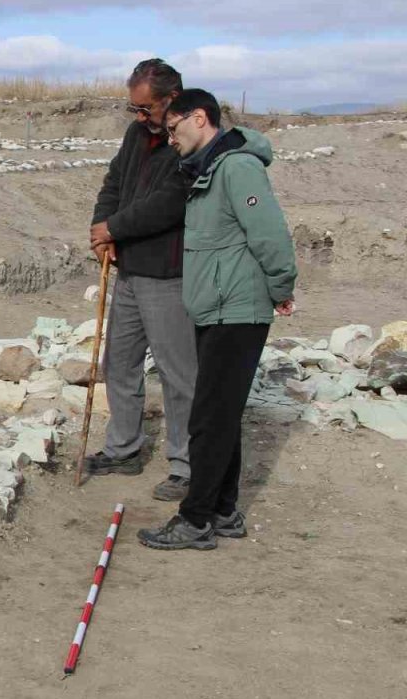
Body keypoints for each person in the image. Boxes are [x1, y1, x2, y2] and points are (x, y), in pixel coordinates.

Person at [138, 88, 297, 550]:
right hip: (218, 307)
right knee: (220, 414)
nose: (170, 138)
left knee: (208, 417)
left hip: (237, 309)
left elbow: (269, 233)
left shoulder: (238, 167)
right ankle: (224, 510)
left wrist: (281, 287)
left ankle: (196, 519)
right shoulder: (211, 167)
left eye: (173, 128)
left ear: (200, 118)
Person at [86, 58, 199, 501]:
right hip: (129, 269)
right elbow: (114, 183)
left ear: (171, 100)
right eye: (133, 108)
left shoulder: (190, 141)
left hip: (168, 273)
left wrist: (116, 228)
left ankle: (187, 465)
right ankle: (123, 449)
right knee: (120, 363)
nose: (138, 116)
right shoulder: (138, 134)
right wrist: (101, 228)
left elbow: (170, 203)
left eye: (145, 108)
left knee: (178, 374)